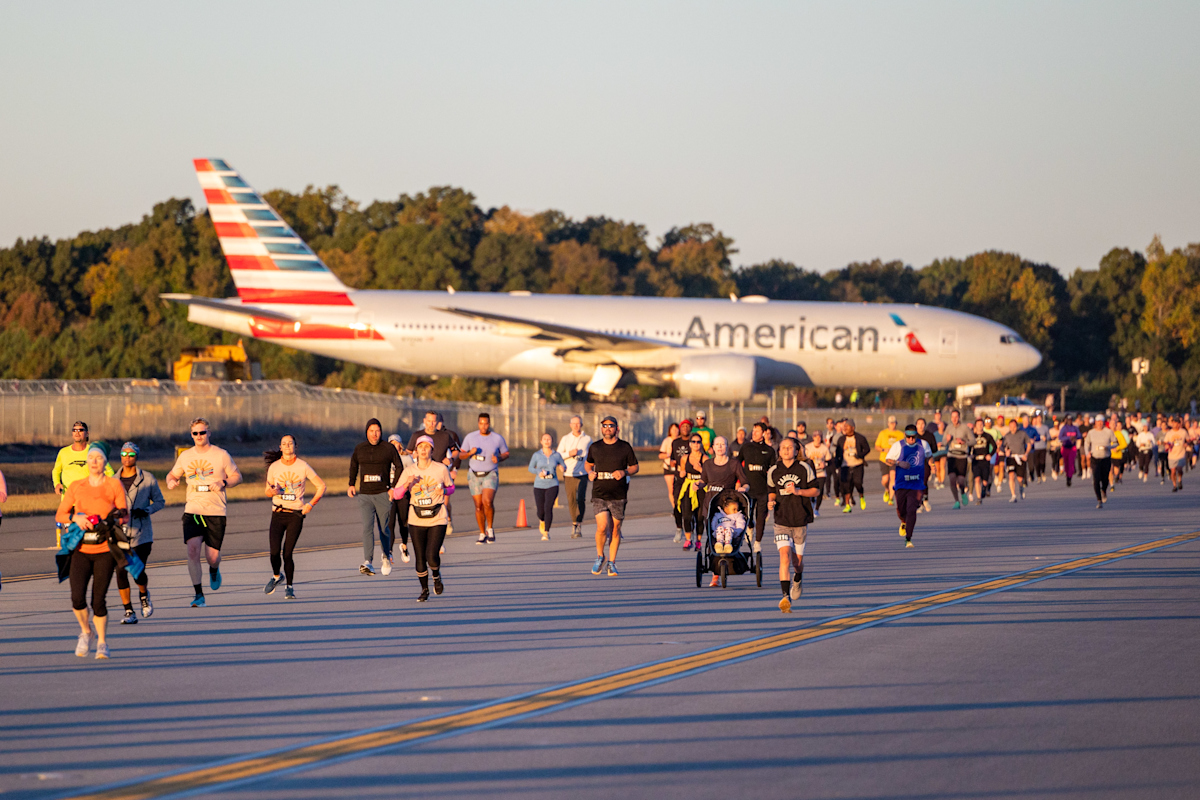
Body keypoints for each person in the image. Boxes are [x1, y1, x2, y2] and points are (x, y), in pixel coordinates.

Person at [57, 442, 127, 659]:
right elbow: (60, 515)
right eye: (90, 458)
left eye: (98, 458)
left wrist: (111, 519)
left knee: (99, 600)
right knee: (77, 598)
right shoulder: (77, 486)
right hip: (80, 549)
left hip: (105, 549)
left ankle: (103, 642)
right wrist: (75, 517)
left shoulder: (114, 485)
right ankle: (86, 632)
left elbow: (125, 515)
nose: (94, 462)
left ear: (105, 461)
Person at [166, 418, 242, 607]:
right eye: (195, 433)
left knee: (212, 557)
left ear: (209, 433)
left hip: (216, 511)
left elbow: (237, 476)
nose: (199, 436)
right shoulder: (185, 456)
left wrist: (223, 483)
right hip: (193, 509)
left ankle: (214, 569)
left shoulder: (221, 454)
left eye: (202, 432)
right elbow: (173, 474)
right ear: (191, 435)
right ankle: (198, 594)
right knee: (192, 550)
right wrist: (171, 481)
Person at [391, 435, 456, 602]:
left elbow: (451, 487)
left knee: (432, 556)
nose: (423, 450)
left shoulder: (441, 469)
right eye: (421, 447)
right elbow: (397, 495)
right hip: (416, 518)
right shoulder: (409, 471)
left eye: (427, 447)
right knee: (420, 557)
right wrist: (407, 484)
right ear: (416, 451)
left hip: (437, 517)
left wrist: (445, 492)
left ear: (432, 450)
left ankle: (436, 575)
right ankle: (424, 589)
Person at [263, 434, 326, 598]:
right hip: (277, 513)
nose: (287, 446)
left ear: (295, 446)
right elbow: (267, 490)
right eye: (284, 444)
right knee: (274, 552)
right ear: (280, 447)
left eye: (290, 443)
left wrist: (310, 505)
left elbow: (321, 486)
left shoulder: (303, 466)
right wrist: (273, 491)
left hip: (295, 515)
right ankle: (277, 576)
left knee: (287, 553)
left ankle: (289, 587)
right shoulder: (274, 467)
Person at [767, 437, 819, 613]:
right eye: (783, 448)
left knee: (797, 563)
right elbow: (771, 492)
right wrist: (771, 502)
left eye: (790, 447)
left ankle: (798, 577)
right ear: (779, 451)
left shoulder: (804, 468)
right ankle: (784, 596)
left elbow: (815, 490)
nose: (786, 450)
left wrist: (799, 491)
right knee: (784, 557)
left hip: (800, 520)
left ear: (796, 451)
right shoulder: (773, 470)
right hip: (781, 520)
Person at [115, 442, 164, 623]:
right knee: (120, 571)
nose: (127, 458)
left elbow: (160, 501)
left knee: (137, 571)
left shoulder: (148, 479)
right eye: (124, 454)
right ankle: (129, 611)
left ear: (137, 456)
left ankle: (144, 595)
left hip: (142, 534)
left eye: (131, 454)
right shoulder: (112, 480)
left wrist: (146, 510)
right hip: (119, 534)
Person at [347, 418, 403, 575]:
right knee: (367, 527)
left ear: (381, 432)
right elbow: (354, 465)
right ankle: (368, 561)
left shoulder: (388, 448)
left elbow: (399, 466)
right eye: (371, 431)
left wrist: (393, 488)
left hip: (382, 494)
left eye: (377, 431)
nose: (374, 434)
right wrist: (351, 484)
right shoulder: (360, 448)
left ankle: (386, 555)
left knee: (384, 527)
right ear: (367, 432)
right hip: (365, 494)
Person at [586, 416, 639, 576]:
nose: (607, 428)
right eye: (604, 426)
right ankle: (600, 556)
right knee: (602, 527)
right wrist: (589, 472)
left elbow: (635, 466)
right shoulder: (595, 447)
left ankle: (612, 562)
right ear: (601, 428)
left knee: (615, 529)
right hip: (599, 492)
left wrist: (624, 472)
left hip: (618, 494)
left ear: (617, 429)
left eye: (611, 425)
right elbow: (588, 463)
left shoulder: (624, 447)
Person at [52, 421, 113, 547]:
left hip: (89, 502)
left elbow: (110, 472)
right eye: (74, 430)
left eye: (80, 430)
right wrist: (57, 484)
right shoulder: (64, 452)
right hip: (69, 501)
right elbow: (56, 471)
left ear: (87, 433)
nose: (77, 432)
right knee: (72, 537)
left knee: (89, 535)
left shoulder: (94, 451)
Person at [459, 413, 510, 544]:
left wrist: (498, 458)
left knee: (487, 501)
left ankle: (490, 528)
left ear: (489, 424)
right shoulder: (470, 437)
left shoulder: (497, 438)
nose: (484, 426)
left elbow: (506, 453)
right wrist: (470, 453)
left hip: (490, 473)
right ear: (478, 424)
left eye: (486, 423)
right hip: (474, 474)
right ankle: (482, 533)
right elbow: (461, 454)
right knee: (478, 505)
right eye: (481, 423)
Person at [885, 424, 933, 548]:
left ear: (916, 435)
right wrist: (898, 463)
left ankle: (908, 538)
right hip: (901, 483)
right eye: (908, 437)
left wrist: (932, 464)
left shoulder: (923, 445)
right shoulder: (898, 445)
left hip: (916, 484)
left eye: (913, 437)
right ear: (905, 435)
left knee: (912, 510)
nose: (911, 439)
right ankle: (903, 521)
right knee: (901, 510)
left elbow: (929, 456)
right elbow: (888, 460)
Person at [738, 422, 777, 546]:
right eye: (753, 430)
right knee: (746, 515)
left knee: (761, 517)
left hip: (763, 490)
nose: (754, 433)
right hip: (748, 488)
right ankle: (750, 527)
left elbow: (773, 471)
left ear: (764, 433)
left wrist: (773, 490)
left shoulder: (769, 451)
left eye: (757, 431)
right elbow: (737, 465)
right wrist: (738, 483)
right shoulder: (746, 447)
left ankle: (758, 542)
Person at [557, 415, 593, 539]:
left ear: (581, 425)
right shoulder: (565, 439)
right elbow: (558, 455)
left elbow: (592, 456)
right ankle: (574, 523)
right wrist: (569, 454)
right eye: (574, 423)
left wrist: (592, 470)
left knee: (580, 499)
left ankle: (579, 522)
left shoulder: (587, 439)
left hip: (582, 474)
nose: (576, 425)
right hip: (569, 474)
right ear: (570, 425)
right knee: (571, 500)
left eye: (578, 423)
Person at [529, 433, 566, 541]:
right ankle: (542, 520)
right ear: (541, 442)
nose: (547, 441)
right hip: (539, 485)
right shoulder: (537, 455)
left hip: (552, 484)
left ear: (552, 441)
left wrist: (562, 467)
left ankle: (546, 532)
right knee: (541, 511)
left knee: (548, 507)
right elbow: (530, 468)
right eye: (544, 439)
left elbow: (563, 464)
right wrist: (538, 472)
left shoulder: (556, 455)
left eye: (549, 439)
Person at [675, 432, 708, 551]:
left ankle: (698, 540)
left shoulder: (704, 458)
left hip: (700, 487)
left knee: (700, 516)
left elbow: (708, 474)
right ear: (690, 444)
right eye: (693, 442)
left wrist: (700, 469)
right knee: (687, 515)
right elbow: (682, 471)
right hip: (688, 486)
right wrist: (682, 473)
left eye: (698, 442)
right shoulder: (685, 458)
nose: (696, 444)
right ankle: (688, 539)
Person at [386, 434, 413, 564]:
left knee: (403, 522)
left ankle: (404, 545)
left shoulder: (406, 458)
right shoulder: (385, 459)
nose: (394, 446)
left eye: (396, 443)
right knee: (390, 523)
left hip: (403, 494)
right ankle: (389, 551)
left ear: (400, 445)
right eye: (391, 443)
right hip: (389, 495)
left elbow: (413, 474)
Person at [666, 419, 693, 542]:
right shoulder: (675, 442)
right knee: (677, 504)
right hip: (679, 478)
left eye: (688, 426)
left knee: (690, 507)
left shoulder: (694, 442)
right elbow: (672, 458)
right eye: (683, 426)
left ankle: (690, 529)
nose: (685, 428)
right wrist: (673, 464)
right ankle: (678, 528)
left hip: (691, 478)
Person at [942, 409, 975, 509]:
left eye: (956, 417)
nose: (954, 419)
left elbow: (973, 441)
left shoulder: (965, 428)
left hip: (962, 456)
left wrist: (964, 442)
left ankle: (962, 492)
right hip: (952, 456)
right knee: (952, 478)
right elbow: (943, 442)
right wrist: (947, 440)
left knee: (960, 480)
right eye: (953, 417)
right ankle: (956, 501)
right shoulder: (948, 428)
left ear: (959, 417)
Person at [835, 420, 870, 512]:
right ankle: (847, 505)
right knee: (846, 485)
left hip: (857, 464)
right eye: (844, 427)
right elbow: (838, 453)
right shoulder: (841, 439)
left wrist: (860, 455)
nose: (845, 428)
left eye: (847, 427)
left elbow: (867, 449)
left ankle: (861, 496)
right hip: (845, 465)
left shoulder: (860, 438)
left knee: (858, 483)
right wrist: (837, 463)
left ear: (853, 428)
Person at [1083, 416, 1117, 508]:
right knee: (1096, 479)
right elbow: (1086, 444)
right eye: (1098, 422)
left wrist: (1109, 447)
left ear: (1103, 422)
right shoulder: (1091, 432)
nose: (1099, 423)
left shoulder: (1108, 432)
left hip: (1105, 457)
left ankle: (1104, 491)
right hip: (1095, 458)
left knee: (1105, 478)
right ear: (1095, 423)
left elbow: (1115, 442)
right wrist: (1087, 453)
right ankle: (1099, 500)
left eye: (1101, 422)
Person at [873, 416, 904, 505]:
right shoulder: (883, 433)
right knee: (885, 479)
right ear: (888, 423)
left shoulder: (900, 434)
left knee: (893, 478)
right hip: (884, 459)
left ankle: (891, 498)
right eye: (891, 423)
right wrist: (883, 449)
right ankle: (886, 489)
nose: (892, 425)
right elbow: (877, 446)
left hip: (895, 460)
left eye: (894, 423)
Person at [1001, 418, 1033, 502]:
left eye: (1014, 426)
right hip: (1011, 458)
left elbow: (1029, 444)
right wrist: (1006, 451)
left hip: (1021, 457)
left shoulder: (1022, 434)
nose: (1012, 428)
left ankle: (1021, 488)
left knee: (1020, 479)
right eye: (1011, 427)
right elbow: (1003, 446)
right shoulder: (1007, 436)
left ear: (1017, 426)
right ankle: (1013, 495)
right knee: (1011, 476)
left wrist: (1026, 454)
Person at [969, 418, 996, 504]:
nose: (980, 426)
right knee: (977, 479)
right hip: (976, 460)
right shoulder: (972, 436)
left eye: (981, 425)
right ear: (975, 426)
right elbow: (969, 446)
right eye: (978, 425)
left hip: (985, 460)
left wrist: (990, 455)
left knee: (985, 480)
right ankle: (978, 498)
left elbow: (995, 446)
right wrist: (970, 454)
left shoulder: (987, 436)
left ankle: (984, 488)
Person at [804, 432, 830, 517]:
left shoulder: (824, 448)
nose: (817, 439)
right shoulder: (808, 447)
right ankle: (811, 504)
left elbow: (829, 460)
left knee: (820, 490)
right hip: (811, 473)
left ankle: (816, 509)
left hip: (821, 473)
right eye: (816, 437)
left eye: (819, 437)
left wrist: (825, 464)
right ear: (813, 438)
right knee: (811, 490)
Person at [658, 422, 680, 519]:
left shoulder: (681, 440)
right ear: (669, 431)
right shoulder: (667, 441)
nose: (675, 431)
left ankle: (682, 507)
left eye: (676, 429)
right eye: (673, 429)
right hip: (668, 467)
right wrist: (669, 454)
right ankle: (675, 509)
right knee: (671, 489)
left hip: (680, 468)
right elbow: (660, 455)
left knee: (680, 489)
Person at [1164, 417, 1188, 492]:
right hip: (1172, 455)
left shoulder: (1183, 432)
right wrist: (1166, 445)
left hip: (1181, 454)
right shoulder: (1169, 433)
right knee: (1173, 471)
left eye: (1175, 423)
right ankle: (1174, 485)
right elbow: (1165, 442)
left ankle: (1179, 480)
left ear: (1179, 424)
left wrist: (1186, 444)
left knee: (1179, 469)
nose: (1174, 424)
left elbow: (1188, 440)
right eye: (1173, 422)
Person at [1059, 415, 1082, 487]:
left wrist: (1074, 437)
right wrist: (1069, 437)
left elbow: (1079, 435)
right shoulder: (1064, 428)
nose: (1069, 421)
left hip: (1072, 447)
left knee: (1071, 462)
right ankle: (1067, 475)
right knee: (1066, 463)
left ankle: (1070, 477)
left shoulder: (1075, 428)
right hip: (1065, 447)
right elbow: (1060, 437)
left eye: (1070, 419)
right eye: (1068, 420)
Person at [1031, 413, 1050, 482]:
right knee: (1037, 462)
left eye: (1040, 418)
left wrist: (1046, 438)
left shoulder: (1045, 427)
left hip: (1043, 447)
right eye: (1038, 418)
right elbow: (1031, 437)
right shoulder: (1034, 428)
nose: (1039, 420)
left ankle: (1043, 473)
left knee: (1043, 461)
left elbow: (1049, 436)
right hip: (1035, 447)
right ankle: (1038, 475)